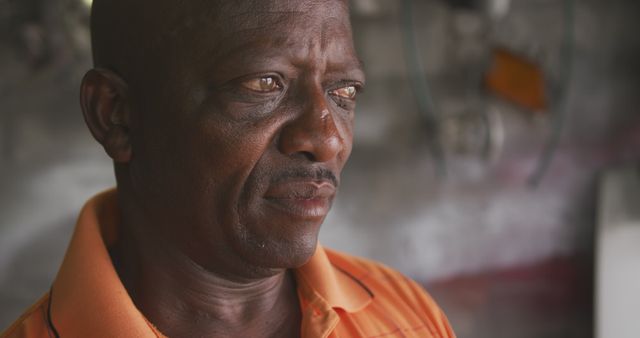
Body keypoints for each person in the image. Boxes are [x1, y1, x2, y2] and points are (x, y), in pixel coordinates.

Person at [1, 0, 455, 337]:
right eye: (264, 83)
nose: (326, 139)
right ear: (115, 114)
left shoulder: (406, 316)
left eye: (345, 91)